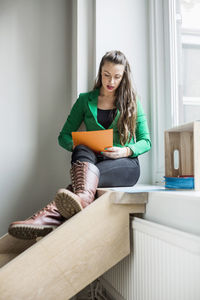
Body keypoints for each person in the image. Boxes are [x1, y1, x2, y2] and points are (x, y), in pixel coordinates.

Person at [8, 50, 151, 240]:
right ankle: (77, 201)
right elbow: (64, 136)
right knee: (82, 149)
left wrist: (125, 150)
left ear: (124, 76)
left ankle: (46, 217)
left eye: (117, 77)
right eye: (106, 75)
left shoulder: (132, 101)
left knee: (83, 181)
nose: (111, 81)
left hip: (124, 164)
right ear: (100, 72)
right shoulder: (85, 100)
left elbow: (146, 141)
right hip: (90, 161)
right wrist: (78, 145)